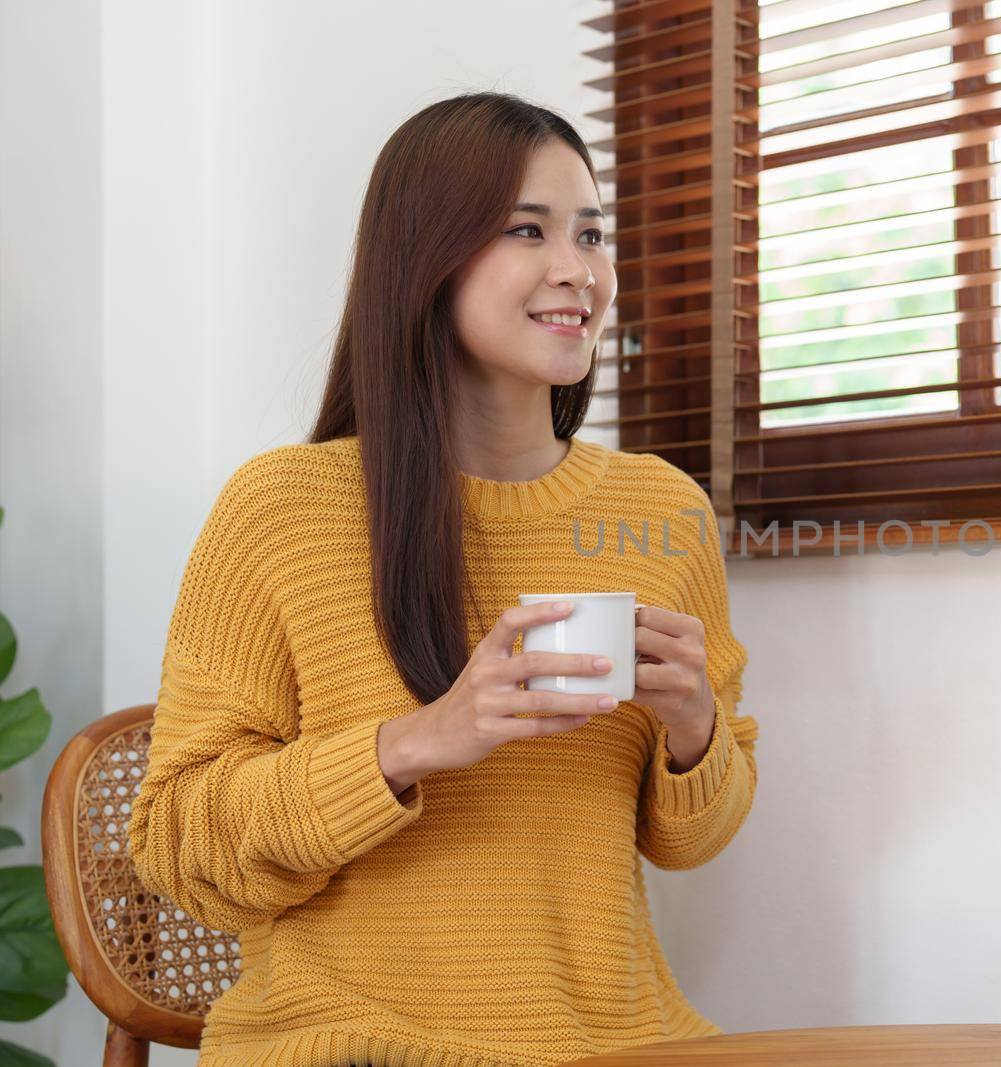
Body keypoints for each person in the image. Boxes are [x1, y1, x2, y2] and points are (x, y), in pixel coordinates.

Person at [125, 92, 758, 1067]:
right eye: (526, 230)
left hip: (613, 1043)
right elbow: (177, 844)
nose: (576, 270)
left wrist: (693, 736)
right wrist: (419, 741)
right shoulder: (284, 509)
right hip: (351, 1043)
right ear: (426, 257)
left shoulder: (660, 512)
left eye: (591, 233)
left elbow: (691, 841)